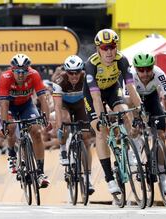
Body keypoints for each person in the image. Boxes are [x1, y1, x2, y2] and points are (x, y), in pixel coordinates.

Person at [83, 29, 142, 195]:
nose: (109, 51)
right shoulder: (91, 65)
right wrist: (101, 116)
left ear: (116, 47)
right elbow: (95, 97)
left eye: (112, 47)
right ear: (98, 49)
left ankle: (131, 150)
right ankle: (109, 178)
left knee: (124, 111)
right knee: (101, 130)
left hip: (111, 89)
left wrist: (140, 107)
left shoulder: (122, 59)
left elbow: (130, 88)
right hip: (92, 94)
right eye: (104, 47)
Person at [125, 52, 166, 194]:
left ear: (153, 67)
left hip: (151, 99)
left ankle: (163, 176)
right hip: (134, 99)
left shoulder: (159, 73)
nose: (145, 73)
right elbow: (127, 101)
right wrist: (135, 118)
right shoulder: (129, 74)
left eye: (148, 69)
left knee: (160, 135)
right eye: (141, 70)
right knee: (135, 126)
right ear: (136, 69)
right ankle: (136, 148)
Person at [0, 53, 51, 188]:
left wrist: (46, 118)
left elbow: (43, 99)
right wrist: (3, 124)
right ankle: (11, 154)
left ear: (28, 70)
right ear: (12, 70)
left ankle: (40, 172)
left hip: (26, 106)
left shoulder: (34, 75)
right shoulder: (5, 77)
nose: (20, 75)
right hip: (10, 106)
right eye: (17, 71)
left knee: (37, 132)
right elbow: (4, 104)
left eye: (24, 71)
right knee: (10, 128)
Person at [52, 55, 94, 194]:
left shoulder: (87, 77)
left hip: (81, 105)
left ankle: (88, 176)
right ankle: (63, 148)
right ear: (66, 71)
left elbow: (93, 98)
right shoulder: (59, 81)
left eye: (77, 72)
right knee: (65, 120)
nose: (74, 75)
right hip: (65, 105)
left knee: (86, 138)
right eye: (71, 72)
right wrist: (59, 126)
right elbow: (57, 107)